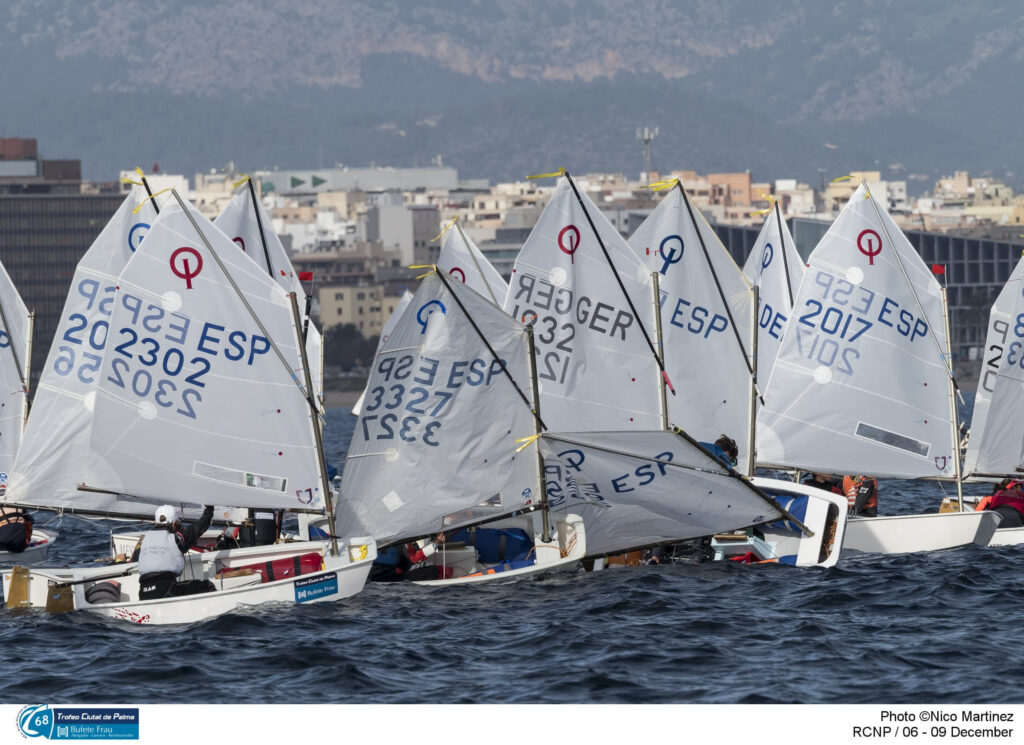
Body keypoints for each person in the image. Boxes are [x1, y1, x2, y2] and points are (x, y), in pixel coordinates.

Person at [136, 504, 216, 600]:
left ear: (155, 522)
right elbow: (198, 528)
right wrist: (209, 509)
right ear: (174, 524)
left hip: (143, 594)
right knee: (207, 585)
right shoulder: (175, 539)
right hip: (166, 589)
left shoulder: (144, 539)